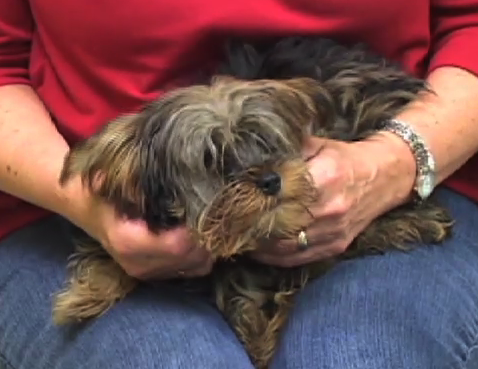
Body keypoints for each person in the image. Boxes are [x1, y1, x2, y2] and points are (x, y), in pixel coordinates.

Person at [1, 0, 478, 368]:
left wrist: (396, 161)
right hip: (57, 198)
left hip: (414, 164)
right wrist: (85, 204)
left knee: (356, 353)